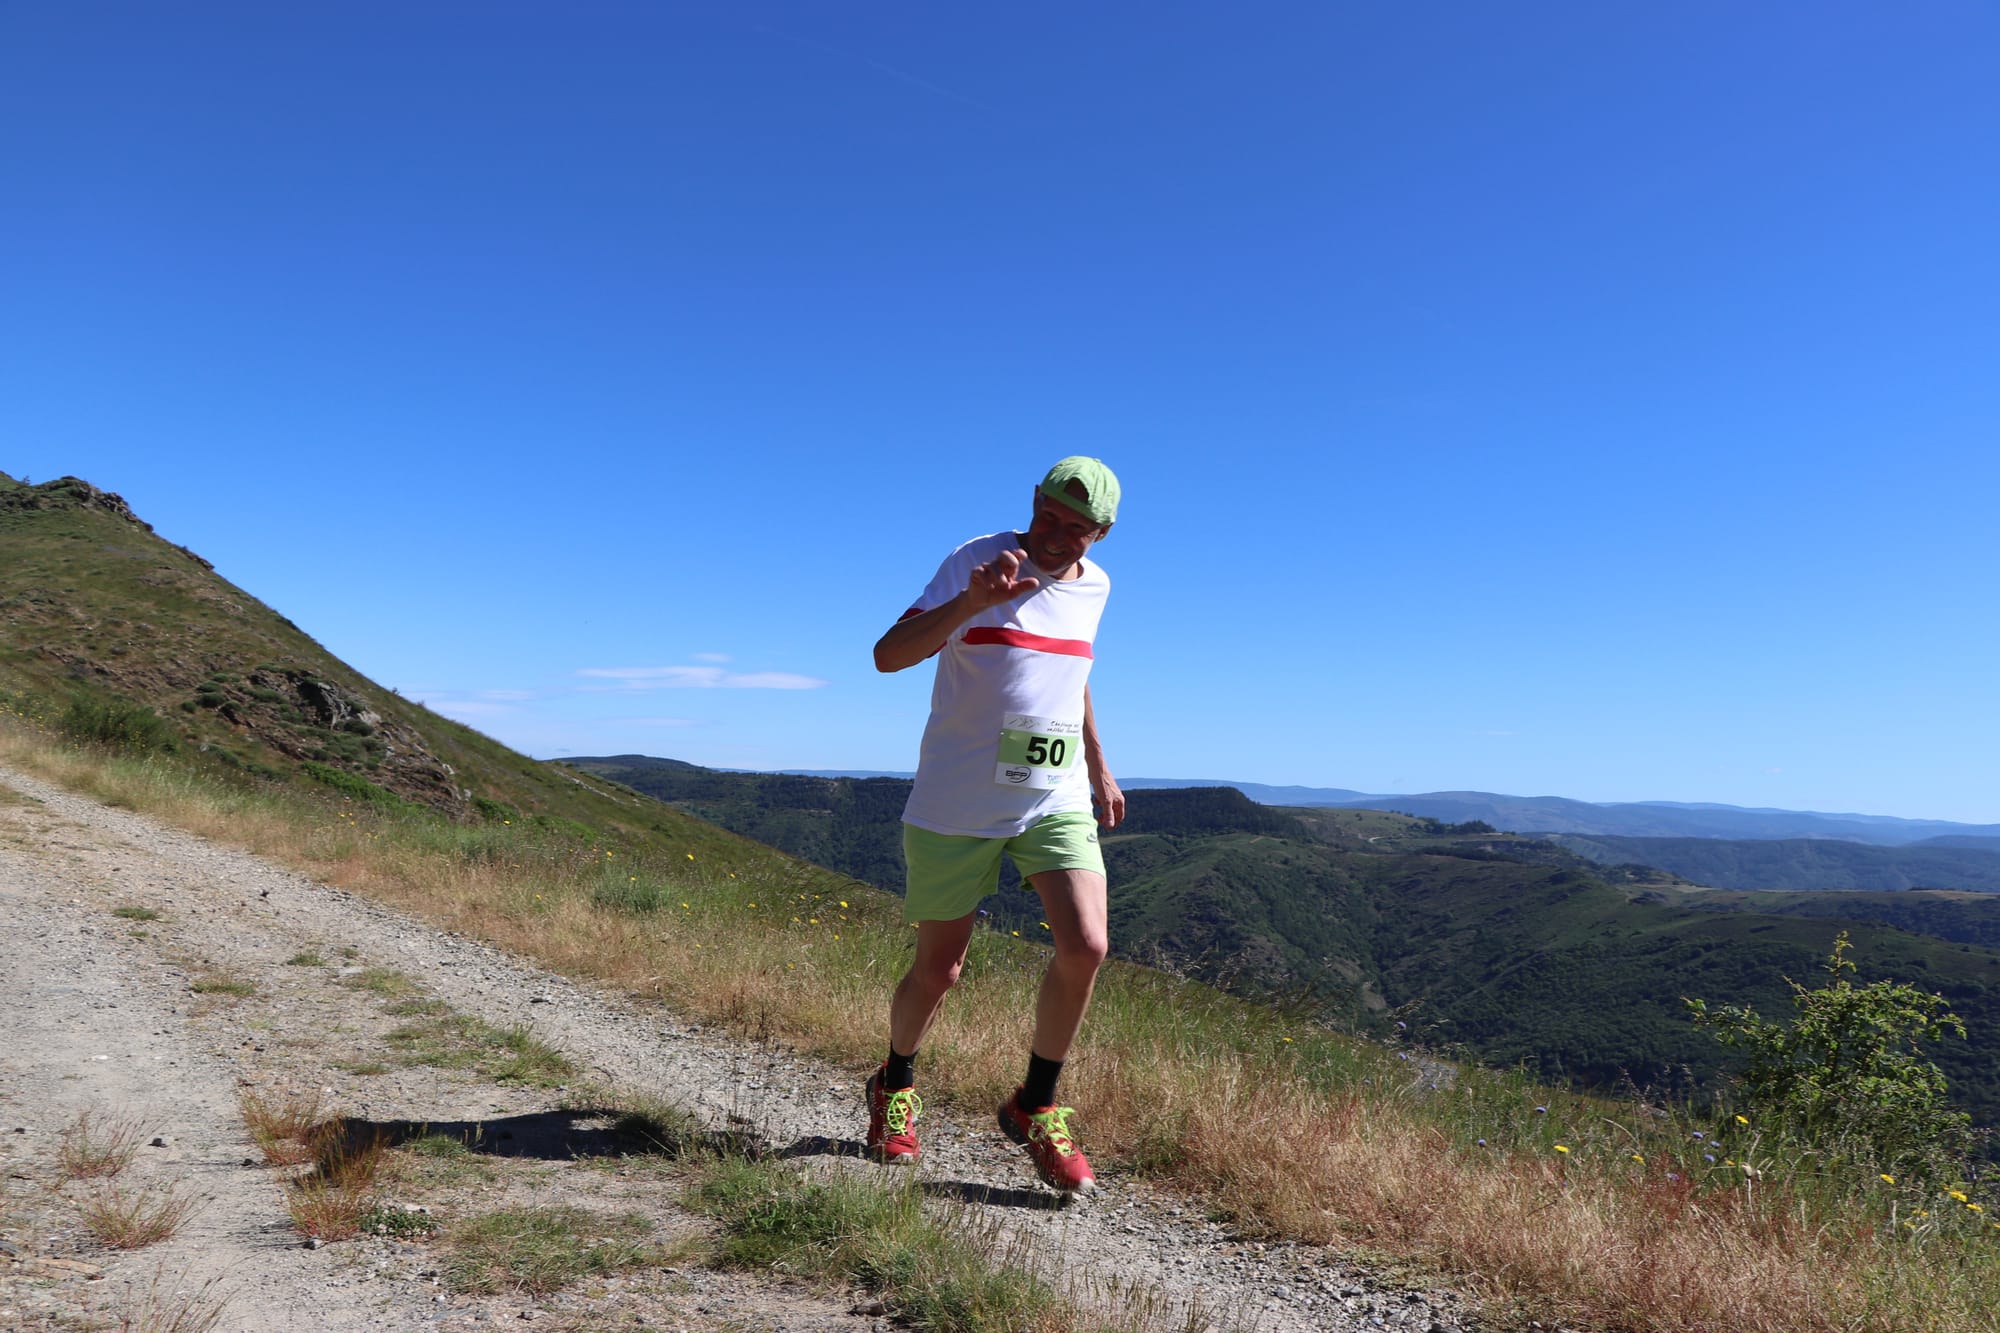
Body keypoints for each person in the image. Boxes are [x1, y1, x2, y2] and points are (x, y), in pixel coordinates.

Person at [866, 456, 1126, 1193]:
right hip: (957, 800)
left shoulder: (1097, 587)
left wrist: (1099, 765)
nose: (1056, 535)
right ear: (1033, 501)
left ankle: (1035, 1103)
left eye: (1077, 528)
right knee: (939, 970)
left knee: (1087, 944)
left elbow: (1073, 677)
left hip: (1052, 795)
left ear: (1103, 533)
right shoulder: (977, 560)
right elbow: (888, 656)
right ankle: (894, 1083)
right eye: (1049, 515)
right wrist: (970, 604)